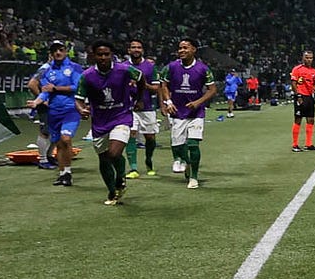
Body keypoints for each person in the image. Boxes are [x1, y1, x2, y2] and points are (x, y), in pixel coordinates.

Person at [74, 40, 145, 206]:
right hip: (99, 122)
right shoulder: (87, 76)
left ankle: (120, 178)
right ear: (93, 56)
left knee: (114, 153)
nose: (103, 57)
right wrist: (81, 109)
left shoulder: (124, 69)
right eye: (100, 54)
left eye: (107, 54)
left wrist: (139, 98)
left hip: (121, 117)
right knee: (104, 159)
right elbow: (77, 99)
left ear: (112, 55)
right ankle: (112, 190)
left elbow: (142, 79)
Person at [158, 38, 218, 188]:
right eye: (180, 48)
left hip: (196, 113)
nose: (182, 51)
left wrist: (198, 102)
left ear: (193, 50)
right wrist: (168, 102)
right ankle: (187, 163)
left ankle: (194, 177)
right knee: (178, 146)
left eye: (185, 48)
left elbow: (212, 89)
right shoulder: (171, 67)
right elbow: (163, 85)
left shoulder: (203, 69)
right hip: (177, 112)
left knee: (193, 144)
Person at [26, 40, 84, 186]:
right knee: (59, 143)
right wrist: (37, 102)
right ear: (51, 53)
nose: (58, 53)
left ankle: (68, 172)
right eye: (55, 50)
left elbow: (77, 86)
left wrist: (56, 89)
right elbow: (46, 92)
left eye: (61, 50)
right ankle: (63, 174)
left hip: (71, 110)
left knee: (66, 139)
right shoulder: (47, 71)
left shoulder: (74, 67)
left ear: (65, 51)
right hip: (54, 112)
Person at [124, 39, 163, 177]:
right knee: (131, 135)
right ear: (129, 50)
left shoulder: (149, 67)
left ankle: (148, 160)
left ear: (142, 50)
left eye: (139, 47)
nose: (136, 50)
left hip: (147, 107)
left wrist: (143, 84)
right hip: (129, 107)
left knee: (150, 138)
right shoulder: (122, 67)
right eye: (133, 47)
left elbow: (156, 88)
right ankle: (133, 168)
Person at [291, 50, 315, 151]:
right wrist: (298, 95)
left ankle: (308, 144)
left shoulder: (314, 71)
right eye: (307, 57)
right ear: (303, 58)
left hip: (309, 97)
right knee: (298, 119)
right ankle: (295, 145)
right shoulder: (297, 69)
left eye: (311, 58)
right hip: (301, 96)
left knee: (311, 119)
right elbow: (294, 83)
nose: (309, 60)